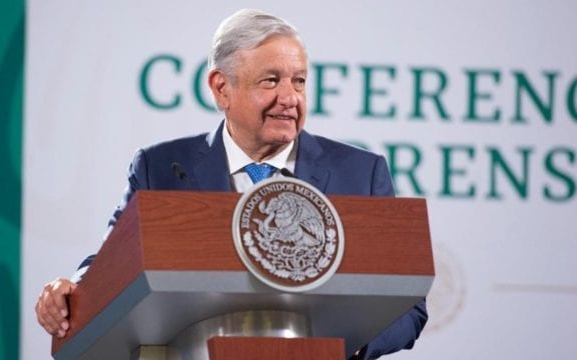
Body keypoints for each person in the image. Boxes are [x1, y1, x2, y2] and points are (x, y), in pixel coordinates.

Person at [35, 9, 428, 359]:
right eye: (271, 81)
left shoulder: (360, 173)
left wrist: (350, 340)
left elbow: (408, 308)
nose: (290, 98)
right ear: (222, 88)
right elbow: (110, 264)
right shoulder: (162, 169)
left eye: (299, 81)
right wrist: (72, 291)